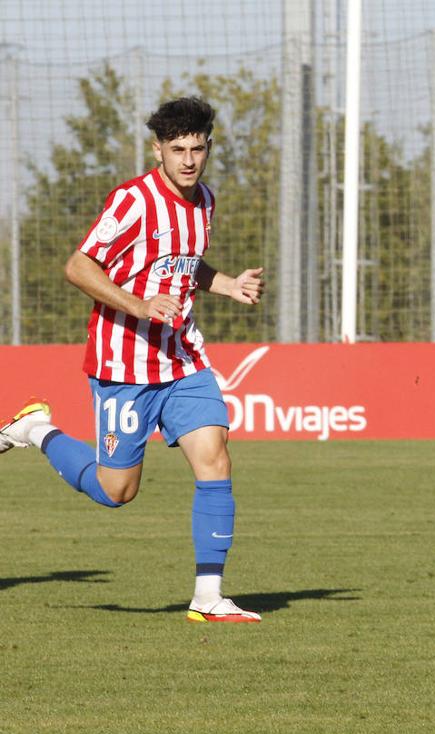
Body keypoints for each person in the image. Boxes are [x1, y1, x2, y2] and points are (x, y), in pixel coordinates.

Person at [0, 97, 266, 623]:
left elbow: (187, 266)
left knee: (215, 458)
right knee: (116, 490)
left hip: (183, 358)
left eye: (197, 148)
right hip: (125, 365)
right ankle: (35, 430)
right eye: (177, 150)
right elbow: (78, 267)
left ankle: (208, 597)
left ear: (208, 147)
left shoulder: (205, 200)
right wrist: (140, 305)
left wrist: (226, 284)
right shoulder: (133, 202)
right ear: (157, 150)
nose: (188, 160)